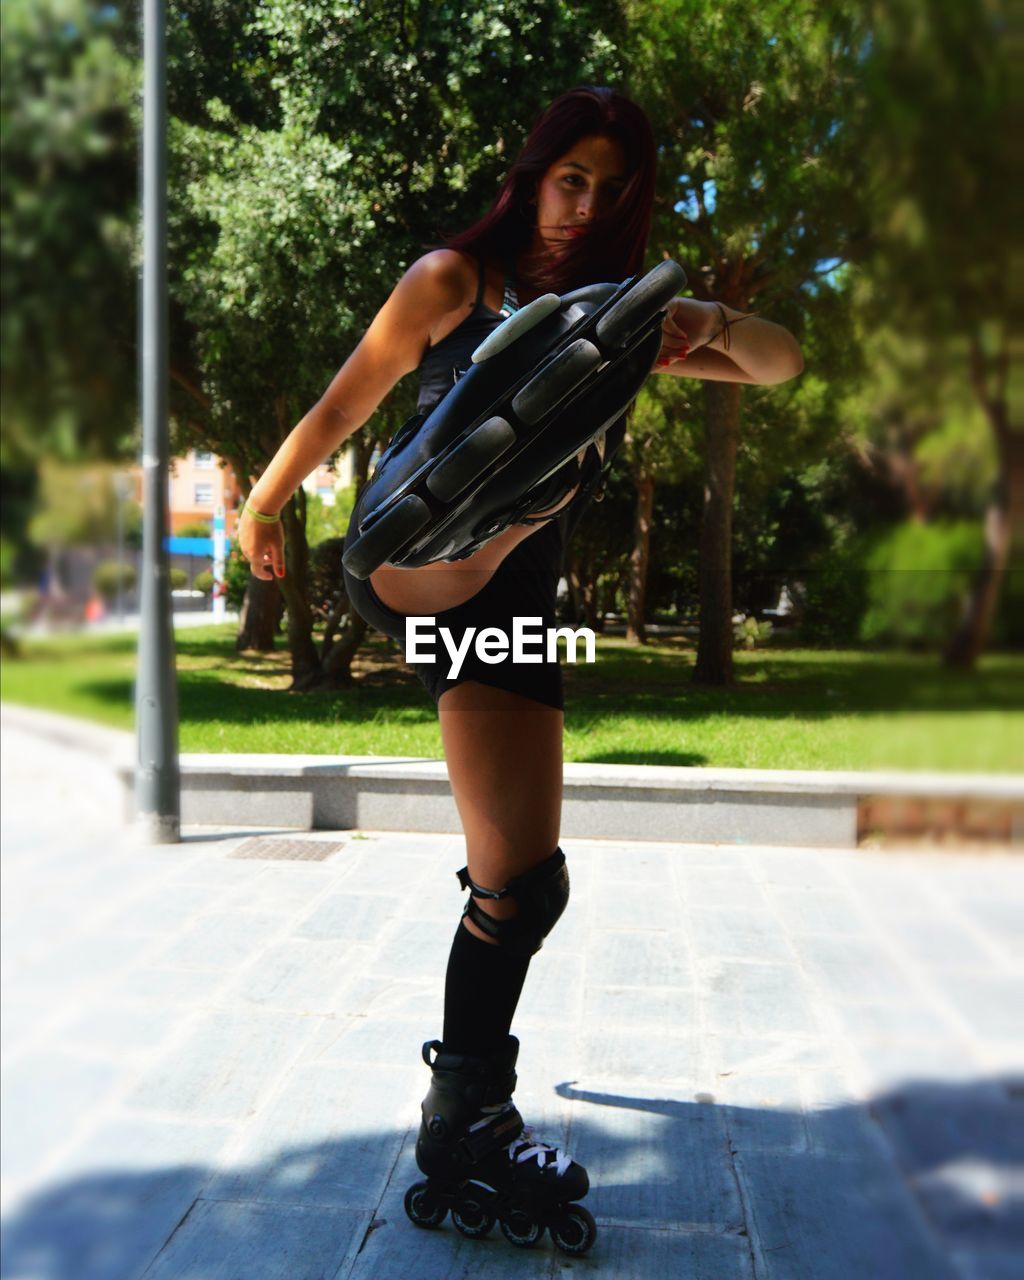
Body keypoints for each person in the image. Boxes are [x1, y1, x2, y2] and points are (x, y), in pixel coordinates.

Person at [238, 86, 803, 1251]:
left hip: (518, 608)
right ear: (534, 172)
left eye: (609, 190)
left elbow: (780, 362)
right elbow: (346, 398)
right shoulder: (452, 281)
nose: (581, 205)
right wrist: (261, 501)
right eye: (569, 179)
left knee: (527, 885)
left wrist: (689, 314)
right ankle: (464, 1125)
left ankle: (467, 1114)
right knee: (507, 867)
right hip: (421, 570)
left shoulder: (619, 322)